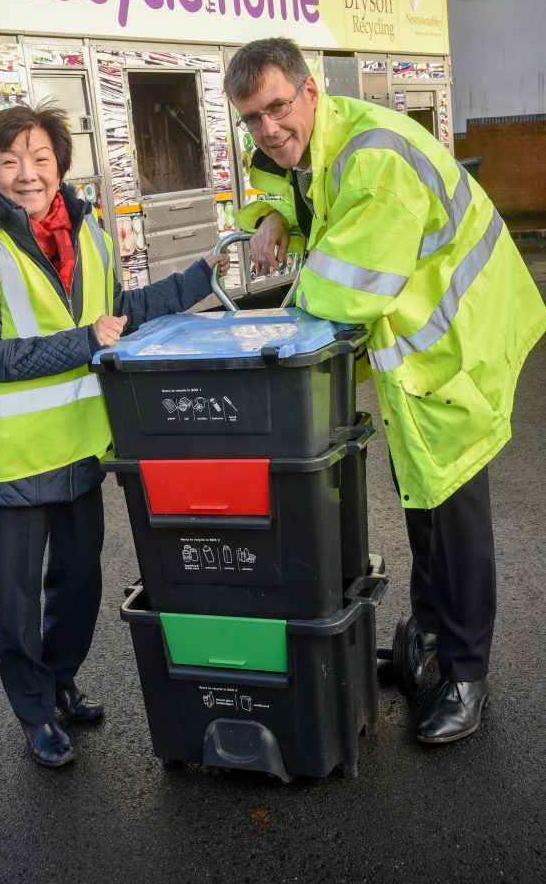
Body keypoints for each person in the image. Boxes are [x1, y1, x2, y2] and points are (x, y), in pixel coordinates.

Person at [223, 37, 546, 744]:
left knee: (455, 516)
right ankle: (429, 636)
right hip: (416, 354)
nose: (268, 129)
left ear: (311, 92)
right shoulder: (321, 147)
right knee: (422, 500)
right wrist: (272, 214)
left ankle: (465, 676)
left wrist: (260, 341)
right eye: (251, 118)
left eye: (278, 108)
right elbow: (288, 184)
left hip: (456, 346)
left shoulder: (372, 159)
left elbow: (339, 294)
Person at [0, 103, 229, 768]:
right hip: (9, 460)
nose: (26, 174)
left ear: (60, 164)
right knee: (17, 602)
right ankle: (34, 711)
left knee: (79, 585)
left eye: (39, 158)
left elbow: (120, 315)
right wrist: (82, 340)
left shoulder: (87, 232)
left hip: (78, 452)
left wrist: (203, 275)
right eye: (9, 161)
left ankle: (60, 677)